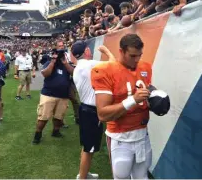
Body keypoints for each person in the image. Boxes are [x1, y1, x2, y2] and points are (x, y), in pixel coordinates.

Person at [91, 34, 152, 179]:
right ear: (121, 51)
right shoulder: (105, 71)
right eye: (132, 55)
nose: (137, 59)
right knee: (121, 176)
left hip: (142, 134)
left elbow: (145, 97)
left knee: (142, 176)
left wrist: (156, 100)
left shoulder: (145, 67)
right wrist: (133, 100)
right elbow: (103, 114)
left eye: (139, 55)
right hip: (120, 136)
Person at [72, 41, 115, 179]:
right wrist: (106, 51)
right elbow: (114, 65)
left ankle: (83, 174)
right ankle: (83, 177)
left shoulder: (79, 67)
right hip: (91, 111)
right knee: (89, 149)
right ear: (86, 51)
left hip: (86, 109)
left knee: (86, 146)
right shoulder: (89, 65)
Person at [32, 40, 74, 144]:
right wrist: (53, 62)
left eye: (62, 46)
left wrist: (65, 63)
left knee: (59, 117)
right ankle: (37, 135)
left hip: (63, 95)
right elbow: (45, 74)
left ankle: (56, 131)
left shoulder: (66, 63)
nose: (61, 48)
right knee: (43, 117)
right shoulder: (49, 61)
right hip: (48, 94)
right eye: (59, 46)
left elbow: (73, 72)